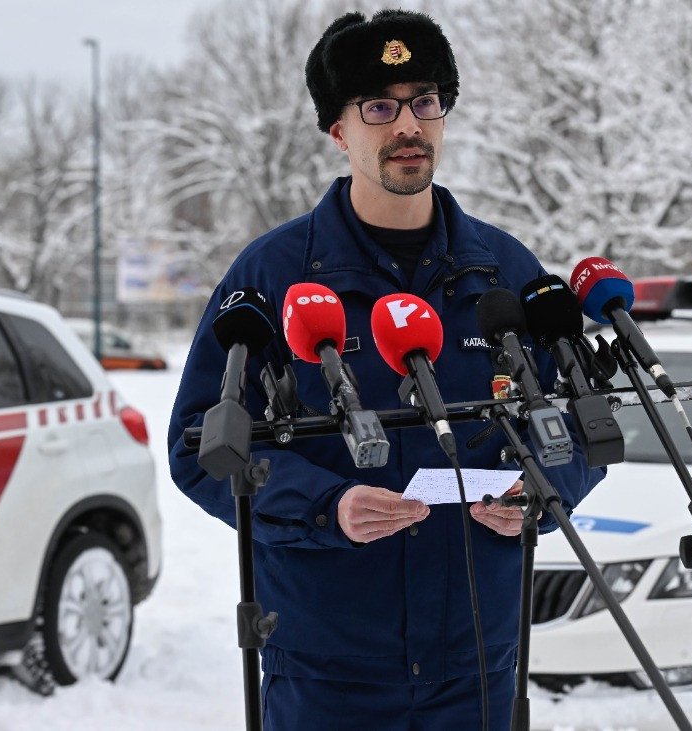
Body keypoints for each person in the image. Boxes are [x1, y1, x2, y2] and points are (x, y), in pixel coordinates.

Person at [169, 9, 605, 729]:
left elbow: (583, 421)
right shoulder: (274, 277)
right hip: (327, 668)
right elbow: (198, 444)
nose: (408, 124)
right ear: (338, 130)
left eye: (425, 102)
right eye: (379, 106)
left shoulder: (502, 273)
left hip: (479, 664)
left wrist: (545, 488)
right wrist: (323, 505)